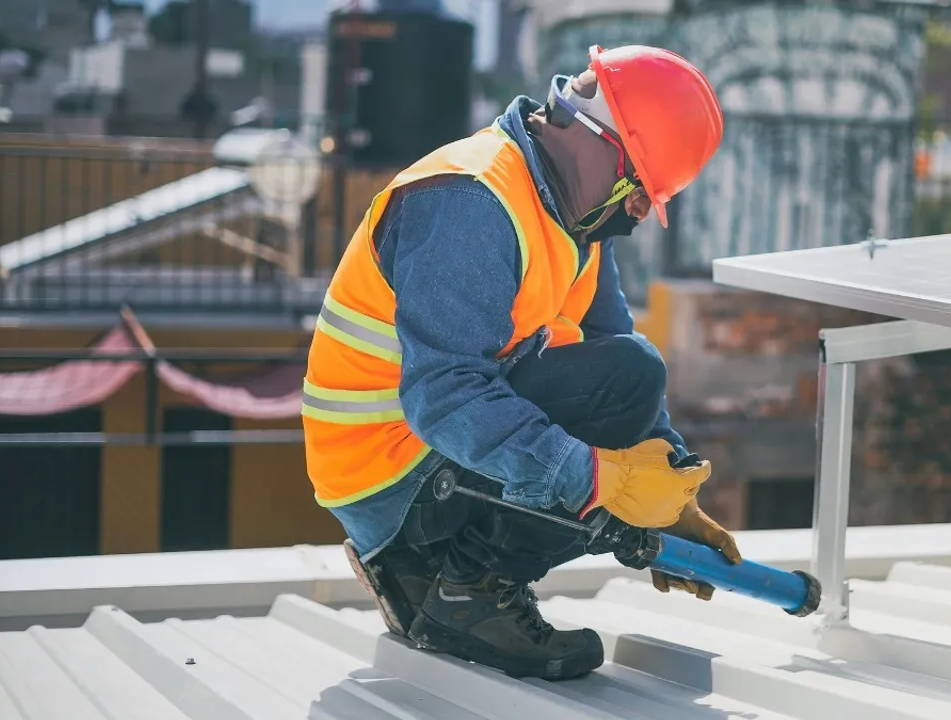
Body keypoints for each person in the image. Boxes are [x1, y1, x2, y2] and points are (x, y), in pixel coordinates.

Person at [301, 44, 739, 681]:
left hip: (435, 454)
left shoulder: (575, 218)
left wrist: (668, 499)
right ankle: (468, 594)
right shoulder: (471, 200)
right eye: (641, 191)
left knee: (628, 376)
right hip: (389, 475)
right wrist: (597, 480)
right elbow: (444, 395)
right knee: (625, 388)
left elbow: (611, 369)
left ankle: (451, 580)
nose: (639, 214)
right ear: (599, 144)